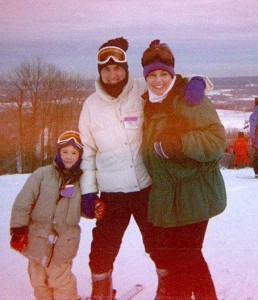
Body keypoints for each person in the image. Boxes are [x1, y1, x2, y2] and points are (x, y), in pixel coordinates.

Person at [78, 37, 212, 300]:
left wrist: (198, 82)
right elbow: (88, 153)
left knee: (158, 244)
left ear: (126, 69)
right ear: (100, 72)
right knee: (103, 247)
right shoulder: (90, 106)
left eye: (118, 68)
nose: (113, 74)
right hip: (112, 192)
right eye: (106, 69)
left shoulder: (142, 90)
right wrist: (87, 192)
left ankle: (166, 289)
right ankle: (101, 290)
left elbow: (171, 84)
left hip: (147, 187)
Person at [140, 39, 227, 300]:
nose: (158, 81)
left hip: (194, 192)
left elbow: (216, 140)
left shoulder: (190, 99)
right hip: (169, 196)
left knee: (187, 256)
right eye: (152, 75)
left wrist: (180, 144)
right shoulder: (149, 102)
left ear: (172, 74)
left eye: (163, 74)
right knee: (178, 258)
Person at [10, 131, 84, 300]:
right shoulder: (42, 175)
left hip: (64, 243)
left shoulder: (82, 180)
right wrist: (18, 230)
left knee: (62, 281)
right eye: (65, 152)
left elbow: (86, 206)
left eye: (74, 153)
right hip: (37, 239)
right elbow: (23, 202)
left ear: (80, 156)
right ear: (58, 152)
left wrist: (93, 206)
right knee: (38, 280)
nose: (69, 157)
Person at [249, 97, 258, 177]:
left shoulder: (253, 115)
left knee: (257, 156)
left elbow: (252, 128)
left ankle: (257, 172)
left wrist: (253, 139)